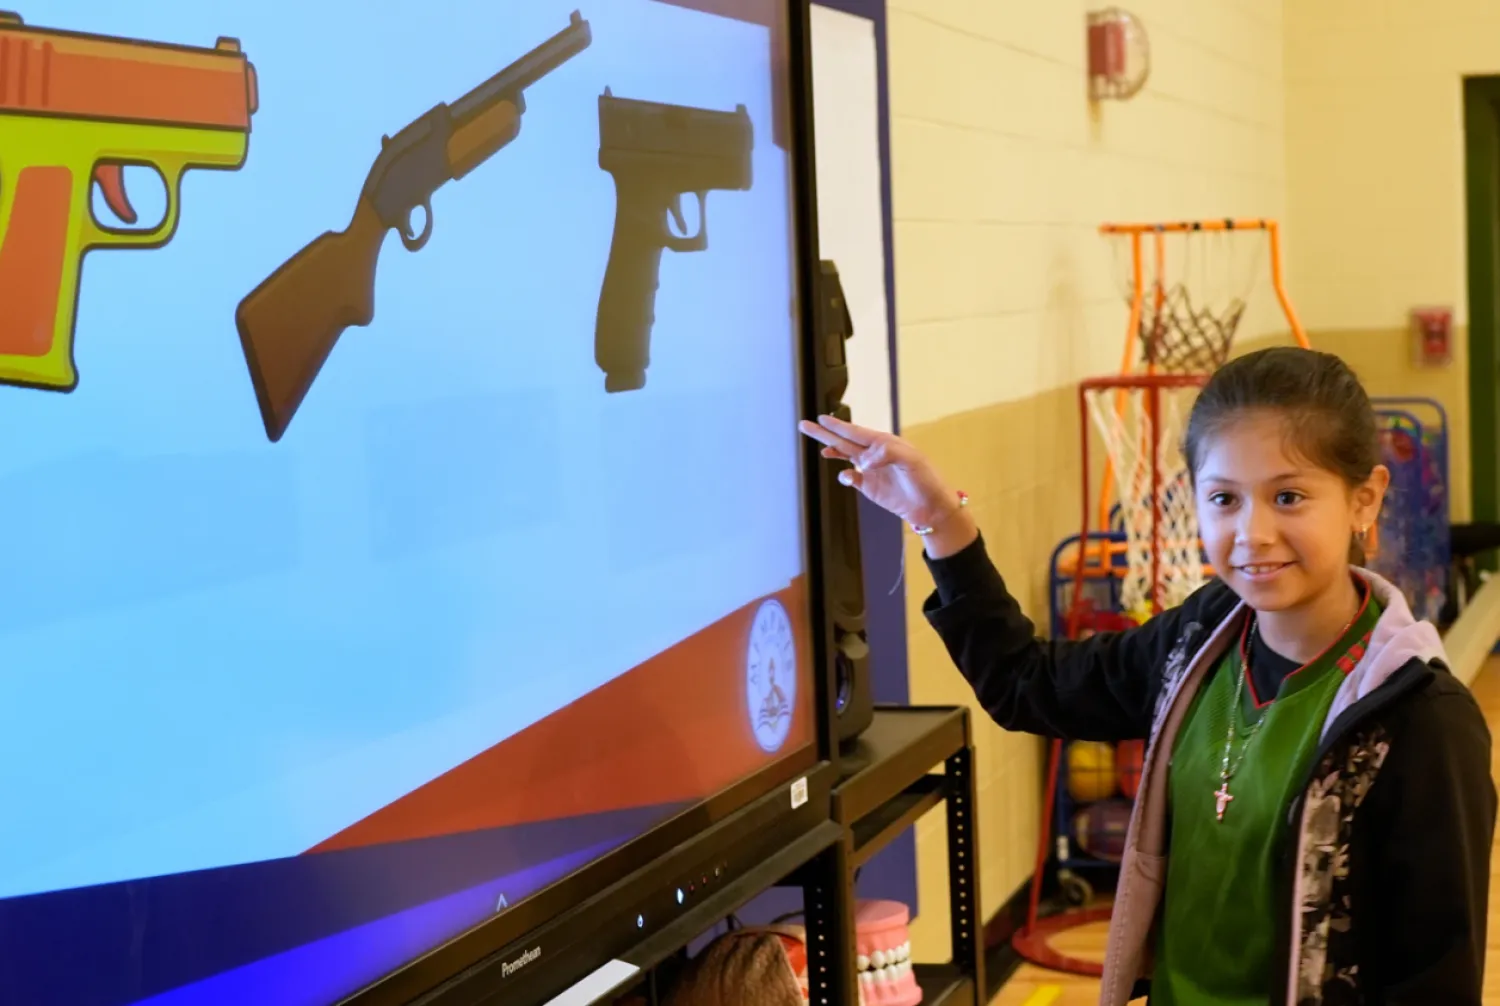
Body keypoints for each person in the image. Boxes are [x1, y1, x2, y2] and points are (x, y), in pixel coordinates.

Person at [799, 347, 1496, 1006]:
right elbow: (1027, 684)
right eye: (1224, 499)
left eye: (1289, 497)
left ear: (1365, 499)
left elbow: (1434, 981)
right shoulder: (1202, 638)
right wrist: (937, 521)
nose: (1252, 533)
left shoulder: (1419, 717)